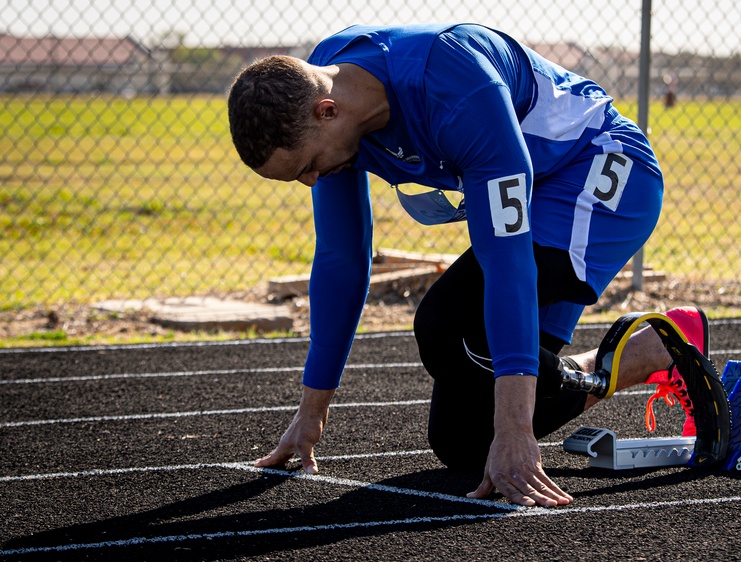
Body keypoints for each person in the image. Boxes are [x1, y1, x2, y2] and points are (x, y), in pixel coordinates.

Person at [227, 23, 706, 507]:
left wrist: (517, 428)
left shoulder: (454, 87)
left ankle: (641, 359)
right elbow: (341, 259)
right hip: (538, 191)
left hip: (601, 174)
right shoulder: (324, 98)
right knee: (461, 442)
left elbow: (507, 260)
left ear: (327, 110)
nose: (311, 182)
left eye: (307, 166)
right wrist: (312, 413)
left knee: (446, 324)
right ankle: (649, 353)